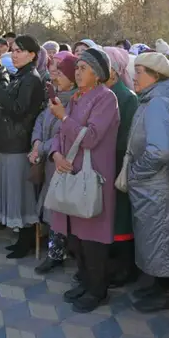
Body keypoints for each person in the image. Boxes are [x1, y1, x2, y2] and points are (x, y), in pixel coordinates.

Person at [48, 46, 119, 313]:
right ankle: (85, 281)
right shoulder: (77, 97)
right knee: (77, 237)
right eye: (76, 68)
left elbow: (90, 137)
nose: (77, 73)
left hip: (93, 177)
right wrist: (55, 153)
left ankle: (97, 290)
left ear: (98, 73)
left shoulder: (106, 98)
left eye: (83, 68)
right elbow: (60, 133)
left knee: (93, 239)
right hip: (70, 173)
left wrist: (63, 117)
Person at [128, 52, 169, 312]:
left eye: (140, 72)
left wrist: (137, 173)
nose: (135, 77)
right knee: (156, 238)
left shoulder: (160, 103)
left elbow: (159, 151)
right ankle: (159, 285)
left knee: (163, 237)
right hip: (153, 185)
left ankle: (168, 293)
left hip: (158, 185)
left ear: (157, 76)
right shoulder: (154, 99)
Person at [0, 34, 45, 258]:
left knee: (22, 193)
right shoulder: (21, 76)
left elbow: (18, 110)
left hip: (19, 143)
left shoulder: (32, 79)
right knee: (13, 191)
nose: (14, 54)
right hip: (9, 142)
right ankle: (21, 237)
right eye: (13, 50)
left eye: (19, 51)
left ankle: (26, 239)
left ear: (32, 55)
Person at [32, 51, 77, 273]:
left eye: (60, 74)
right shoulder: (54, 99)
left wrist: (43, 147)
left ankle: (60, 252)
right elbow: (41, 120)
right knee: (52, 210)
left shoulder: (75, 102)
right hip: (50, 163)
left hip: (64, 164)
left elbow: (65, 134)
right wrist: (37, 142)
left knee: (63, 210)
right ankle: (55, 252)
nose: (55, 78)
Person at [102, 46, 140, 287]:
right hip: (103, 166)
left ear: (114, 72)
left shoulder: (126, 97)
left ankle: (125, 268)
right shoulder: (101, 95)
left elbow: (125, 139)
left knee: (121, 218)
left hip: (116, 166)